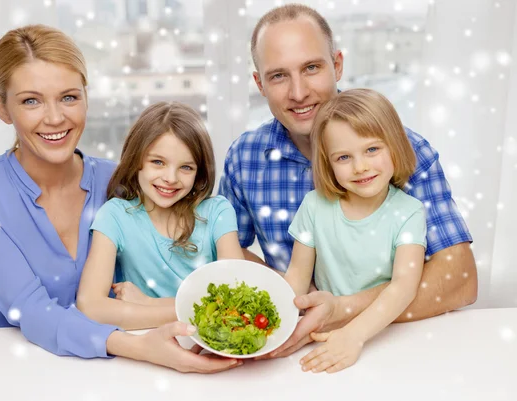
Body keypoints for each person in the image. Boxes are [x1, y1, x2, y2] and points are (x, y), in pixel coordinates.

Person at [0, 24, 242, 373]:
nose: (55, 118)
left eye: (69, 97)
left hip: (89, 372)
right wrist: (144, 345)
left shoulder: (122, 181)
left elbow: (197, 227)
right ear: (3, 108)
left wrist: (291, 285)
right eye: (31, 101)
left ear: (86, 96)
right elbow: (30, 308)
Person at [218, 4, 477, 357]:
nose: (298, 92)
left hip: (398, 342)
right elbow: (225, 251)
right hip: (291, 349)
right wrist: (288, 304)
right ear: (259, 84)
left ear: (337, 65)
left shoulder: (405, 150)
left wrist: (342, 311)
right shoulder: (245, 158)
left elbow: (459, 280)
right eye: (278, 76)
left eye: (311, 68)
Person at [285, 88, 426, 373]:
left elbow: (403, 287)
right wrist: (274, 326)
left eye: (372, 150)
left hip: (386, 334)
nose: (361, 167)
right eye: (343, 158)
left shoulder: (409, 212)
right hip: (325, 335)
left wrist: (354, 335)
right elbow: (296, 278)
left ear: (395, 146)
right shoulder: (314, 206)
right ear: (328, 163)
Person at [76, 101, 244, 329]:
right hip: (147, 346)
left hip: (209, 344)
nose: (171, 178)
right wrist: (199, 312)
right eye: (158, 162)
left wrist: (148, 304)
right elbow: (90, 306)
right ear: (136, 161)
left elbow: (236, 301)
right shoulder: (115, 215)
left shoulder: (218, 212)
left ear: (200, 172)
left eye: (186, 167)